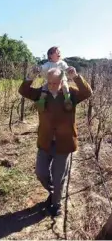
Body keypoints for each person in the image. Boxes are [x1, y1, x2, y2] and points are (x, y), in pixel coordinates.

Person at [19, 66, 92, 217]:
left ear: (61, 81)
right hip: (45, 141)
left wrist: (76, 77)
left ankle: (56, 203)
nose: (52, 85)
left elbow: (87, 92)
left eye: (55, 83)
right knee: (41, 172)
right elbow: (23, 91)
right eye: (50, 82)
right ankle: (53, 192)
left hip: (63, 143)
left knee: (59, 177)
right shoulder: (41, 93)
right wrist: (30, 76)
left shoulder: (70, 93)